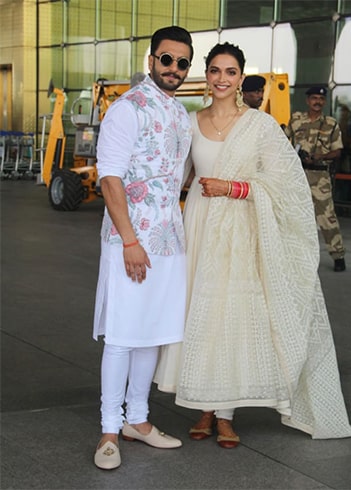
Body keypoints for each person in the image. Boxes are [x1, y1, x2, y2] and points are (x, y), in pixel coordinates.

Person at [155, 42, 351, 447]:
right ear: (206, 74)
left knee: (232, 313)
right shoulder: (190, 122)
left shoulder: (260, 126)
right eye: (214, 71)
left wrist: (234, 187)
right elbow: (174, 176)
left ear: (240, 76)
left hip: (241, 226)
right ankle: (205, 406)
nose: (221, 79)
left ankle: (226, 414)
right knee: (201, 311)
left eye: (230, 72)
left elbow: (288, 184)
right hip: (198, 223)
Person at [92, 25, 193, 470]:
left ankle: (139, 419)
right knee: (121, 334)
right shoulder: (126, 109)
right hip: (129, 240)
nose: (174, 68)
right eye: (166, 59)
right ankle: (109, 430)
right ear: (151, 60)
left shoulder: (180, 112)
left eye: (182, 62)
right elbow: (109, 177)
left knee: (151, 331)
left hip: (170, 240)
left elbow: (177, 175)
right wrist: (130, 241)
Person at [285, 86, 346, 272]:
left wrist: (319, 157)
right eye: (313, 98)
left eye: (320, 98)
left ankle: (338, 256)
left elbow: (337, 151)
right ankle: (293, 256)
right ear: (307, 100)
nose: (317, 102)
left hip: (319, 177)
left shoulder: (331, 123)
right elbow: (283, 142)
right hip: (297, 176)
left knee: (327, 218)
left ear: (325, 101)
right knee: (292, 216)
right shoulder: (296, 120)